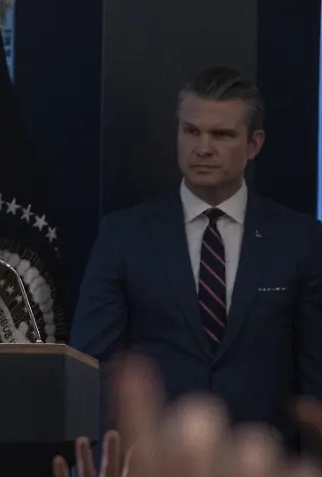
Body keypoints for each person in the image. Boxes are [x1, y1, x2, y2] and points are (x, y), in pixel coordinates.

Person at [71, 66, 322, 448]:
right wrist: (108, 470)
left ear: (254, 144)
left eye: (221, 135)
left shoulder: (300, 240)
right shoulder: (124, 236)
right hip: (152, 473)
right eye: (191, 131)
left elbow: (314, 379)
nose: (203, 148)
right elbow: (93, 370)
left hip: (264, 476)